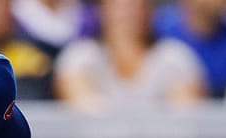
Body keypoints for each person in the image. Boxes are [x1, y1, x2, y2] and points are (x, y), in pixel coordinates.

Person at [52, 0, 208, 111]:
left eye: (137, 5)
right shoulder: (78, 57)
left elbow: (184, 118)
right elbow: (84, 110)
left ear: (150, 10)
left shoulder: (177, 57)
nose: (129, 13)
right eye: (120, 6)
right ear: (102, 9)